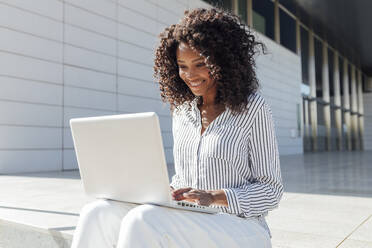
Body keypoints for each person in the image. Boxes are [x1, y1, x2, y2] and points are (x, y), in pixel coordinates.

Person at [71, 7, 283, 248]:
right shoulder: (183, 112)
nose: (190, 75)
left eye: (200, 64)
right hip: (191, 218)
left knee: (142, 221)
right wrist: (168, 191)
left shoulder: (252, 107)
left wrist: (212, 197)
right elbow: (184, 176)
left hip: (241, 226)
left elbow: (270, 191)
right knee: (98, 213)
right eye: (182, 66)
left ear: (222, 60)